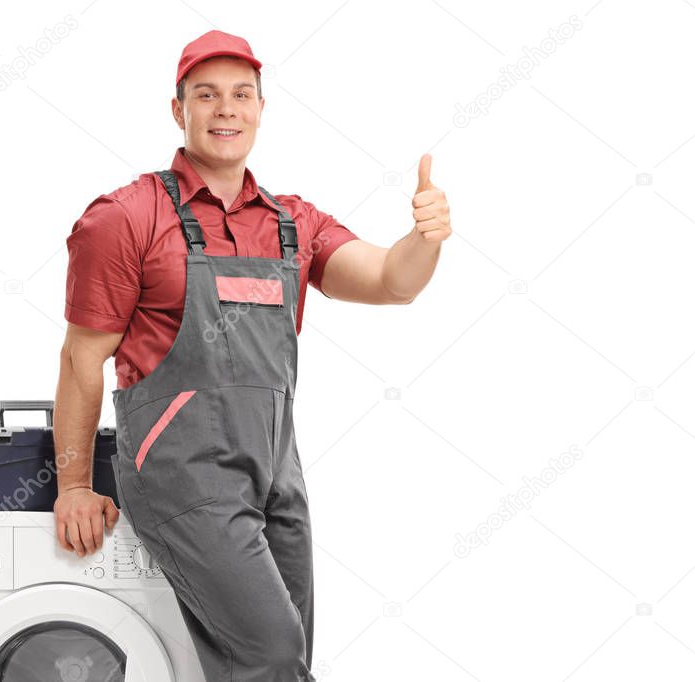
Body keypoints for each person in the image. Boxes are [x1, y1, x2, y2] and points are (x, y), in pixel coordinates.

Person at [53, 29, 451, 682]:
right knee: (268, 656)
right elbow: (80, 358)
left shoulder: (292, 223)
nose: (225, 109)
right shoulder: (125, 217)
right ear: (177, 110)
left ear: (261, 109)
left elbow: (390, 282)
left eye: (241, 94)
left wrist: (423, 237)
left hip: (274, 475)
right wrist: (73, 485)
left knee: (285, 656)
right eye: (205, 95)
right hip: (181, 480)